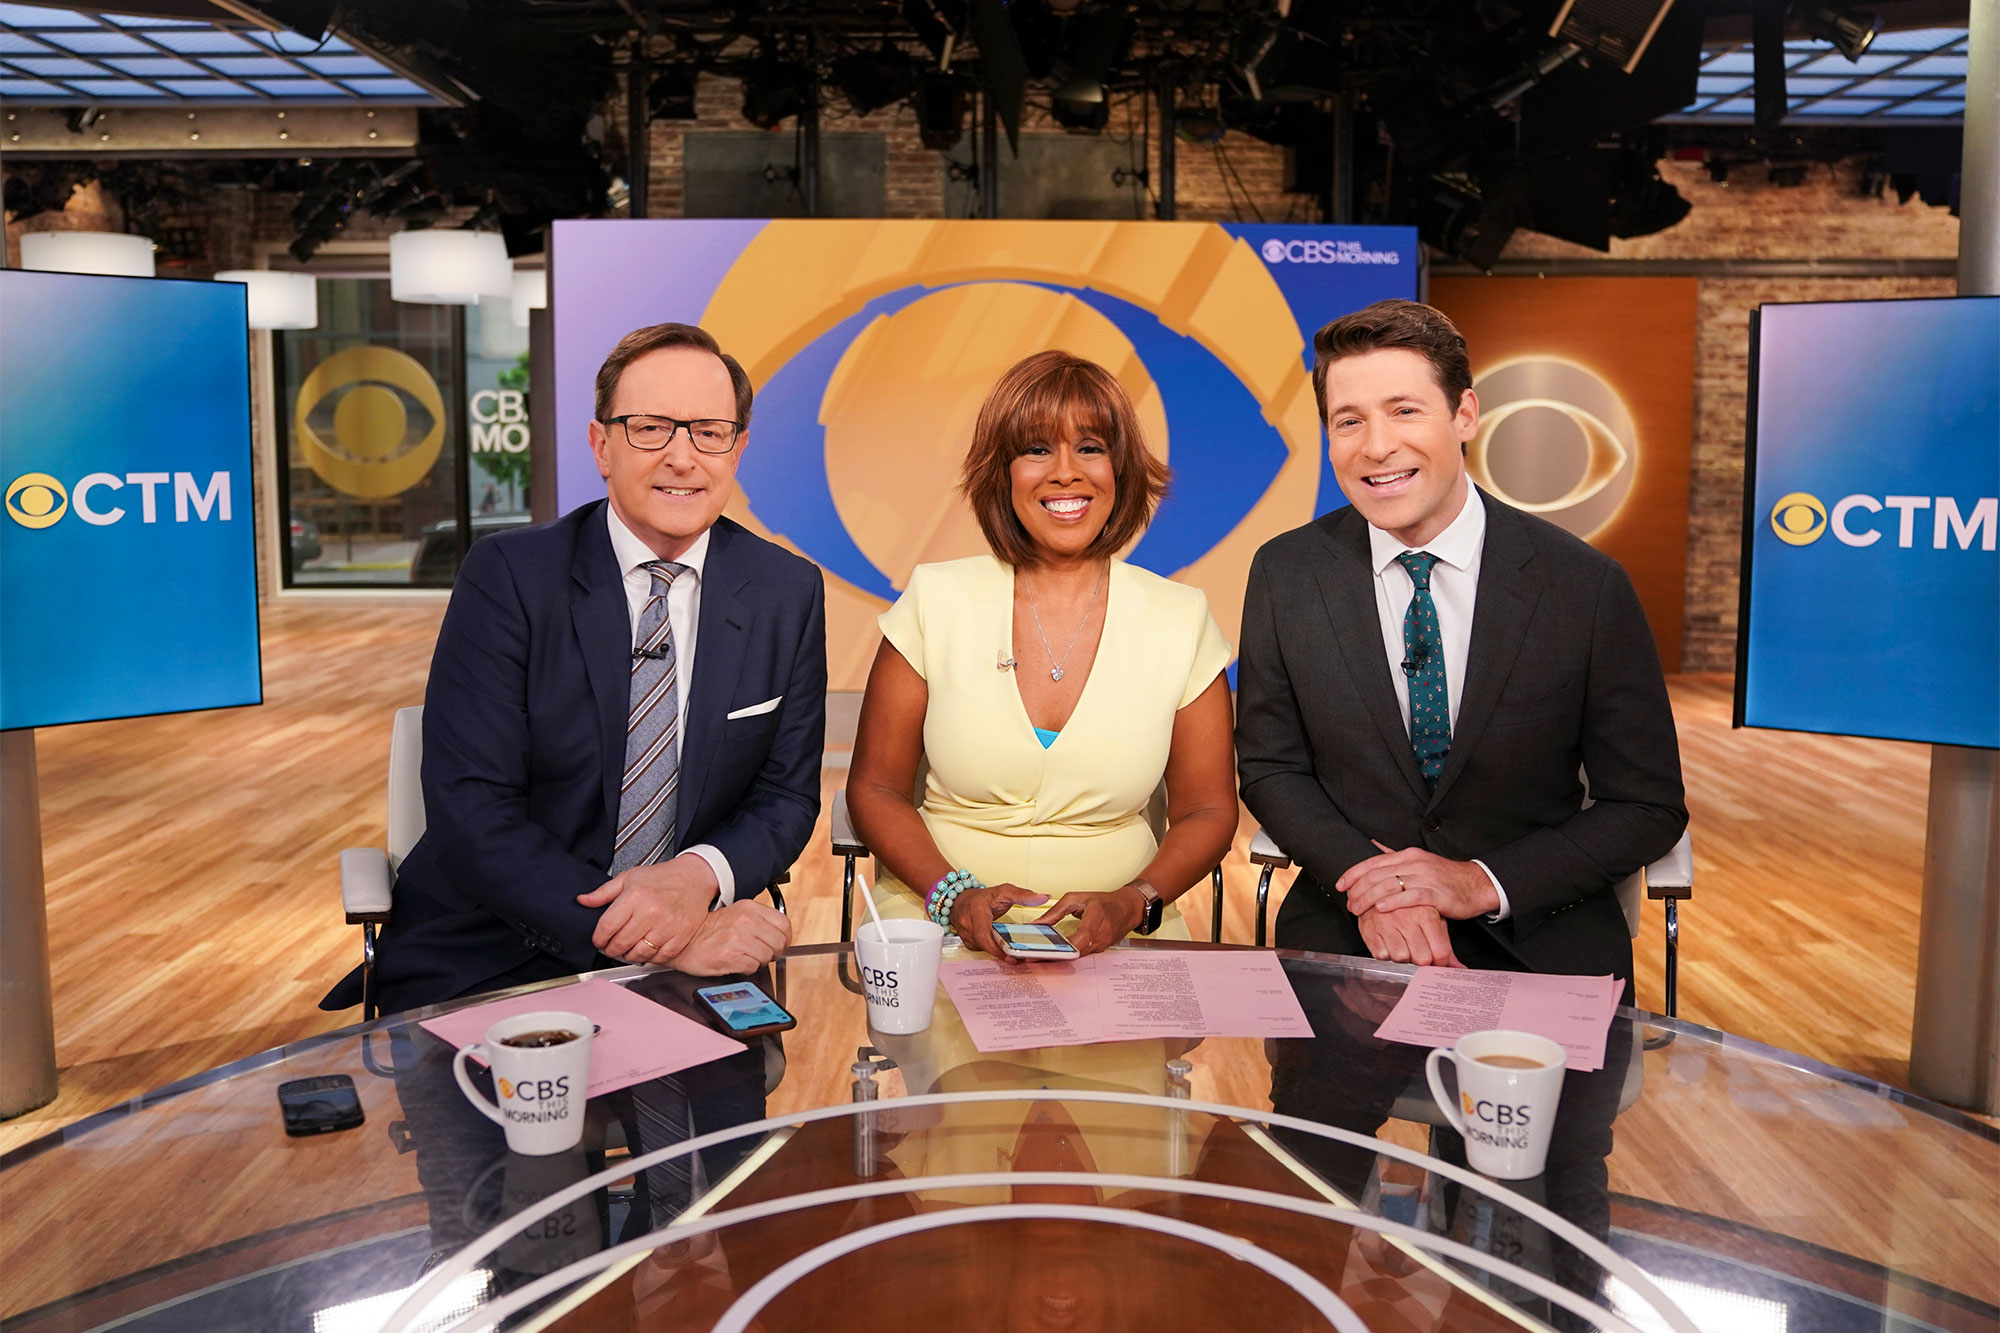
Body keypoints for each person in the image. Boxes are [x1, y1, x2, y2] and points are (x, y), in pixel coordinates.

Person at [323, 322, 824, 1014]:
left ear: (737, 449)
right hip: (496, 948)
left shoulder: (786, 590)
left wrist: (694, 875)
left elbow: (785, 797)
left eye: (709, 431)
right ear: (601, 446)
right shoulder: (509, 578)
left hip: (700, 941)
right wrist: (652, 937)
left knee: (731, 1119)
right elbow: (471, 808)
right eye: (651, 428)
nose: (682, 456)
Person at [1235, 299, 1685, 990]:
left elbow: (1646, 806)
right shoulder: (1287, 572)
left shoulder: (1585, 587)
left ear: (1466, 415)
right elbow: (1270, 765)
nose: (1376, 445)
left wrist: (1479, 883)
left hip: (1538, 934)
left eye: (1405, 410)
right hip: (1353, 926)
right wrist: (1372, 886)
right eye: (1348, 420)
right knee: (1310, 1100)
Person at [847, 349, 1238, 955]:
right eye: (1036, 449)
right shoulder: (935, 598)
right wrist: (954, 897)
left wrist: (1134, 902)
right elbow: (875, 789)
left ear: (1121, 469)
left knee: (1120, 1053)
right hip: (941, 920)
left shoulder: (1180, 619)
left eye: (1090, 447)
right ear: (1001, 471)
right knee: (969, 1054)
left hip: (1120, 933)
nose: (1065, 473)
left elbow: (1209, 809)